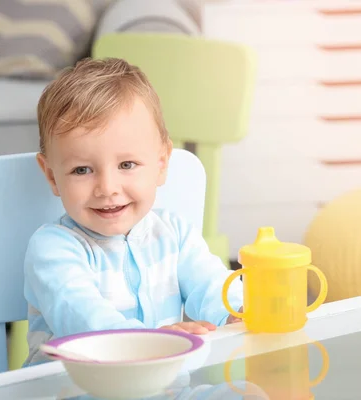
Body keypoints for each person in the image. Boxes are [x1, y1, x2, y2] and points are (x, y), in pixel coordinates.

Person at [23, 57, 244, 366]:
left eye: (126, 165)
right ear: (51, 175)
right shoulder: (52, 250)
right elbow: (88, 322)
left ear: (161, 164)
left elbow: (213, 285)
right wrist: (156, 342)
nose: (107, 187)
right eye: (82, 169)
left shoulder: (174, 235)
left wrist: (240, 311)